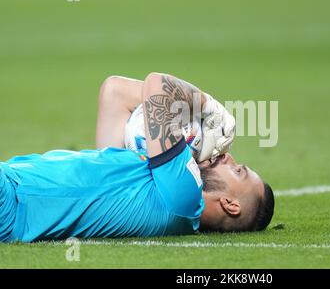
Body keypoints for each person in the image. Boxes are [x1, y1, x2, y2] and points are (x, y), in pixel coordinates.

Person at [0, 72, 274, 242]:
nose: (228, 158)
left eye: (238, 171)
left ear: (230, 204)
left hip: (11, 202)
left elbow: (157, 86)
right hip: (10, 185)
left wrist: (210, 108)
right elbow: (114, 92)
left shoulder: (184, 201)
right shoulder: (155, 182)